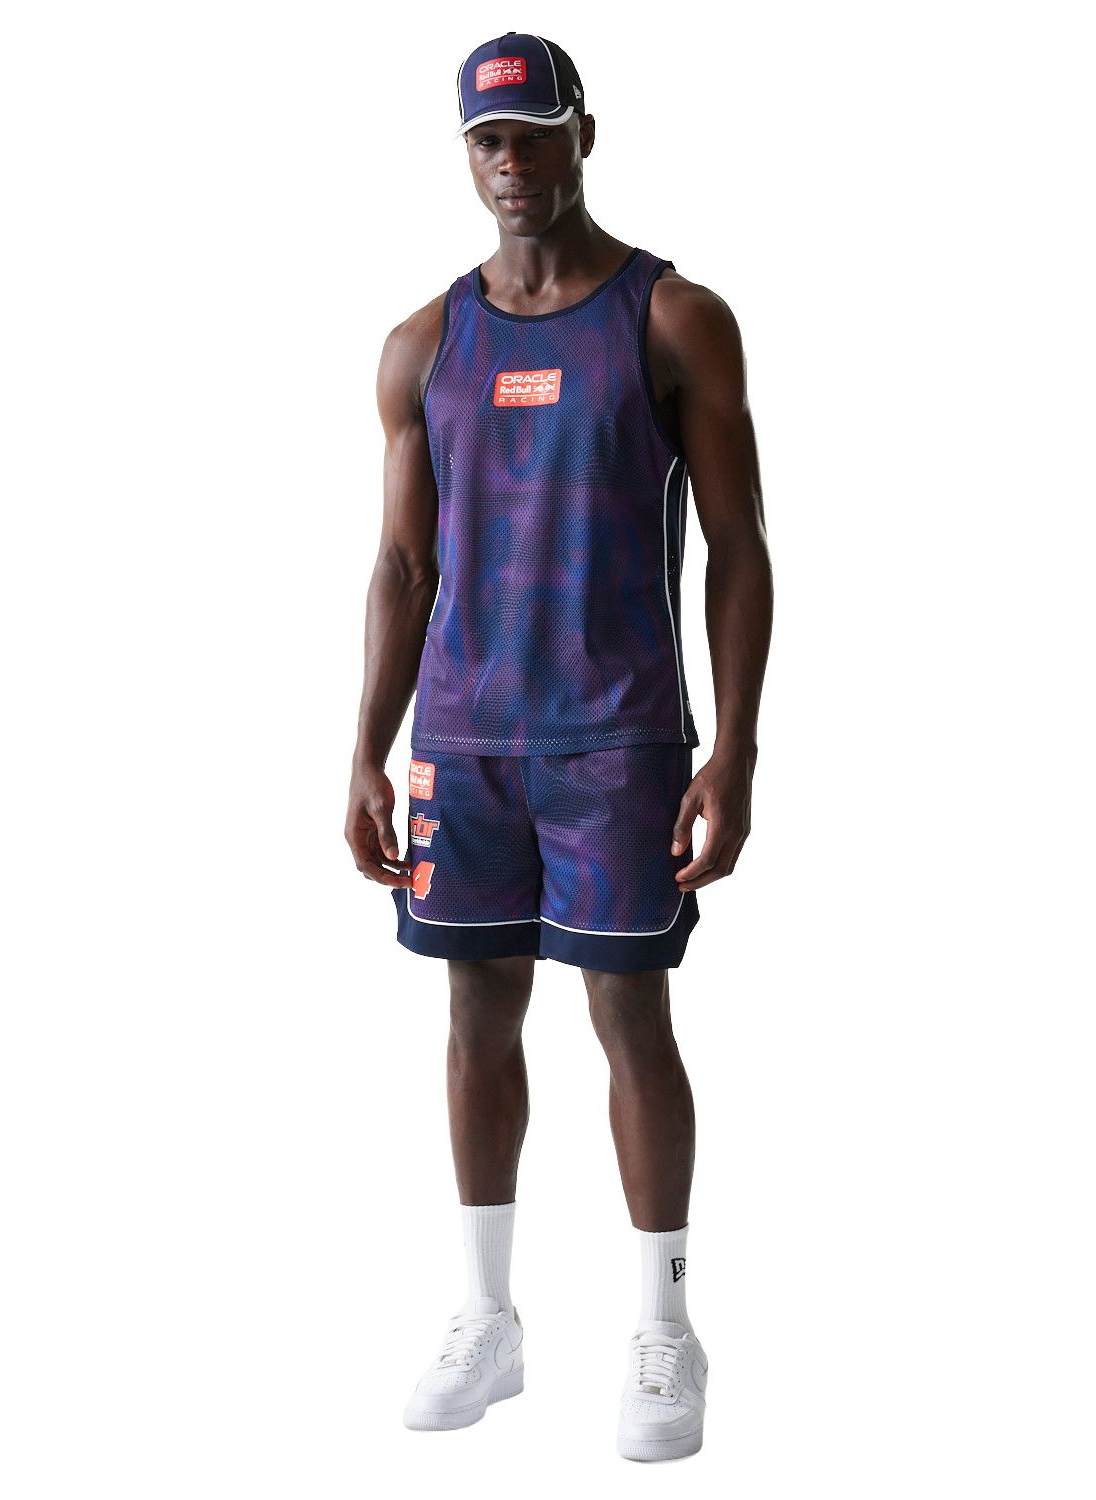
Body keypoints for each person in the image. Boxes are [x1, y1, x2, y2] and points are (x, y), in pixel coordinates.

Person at [345, 31, 772, 1462]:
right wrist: (365, 750)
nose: (512, 160)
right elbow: (402, 566)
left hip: (619, 739)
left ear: (587, 133)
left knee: (628, 1016)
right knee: (475, 1014)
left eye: (536, 131)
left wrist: (736, 752)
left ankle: (664, 1327)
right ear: (465, 154)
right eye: (489, 138)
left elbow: (740, 548)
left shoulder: (674, 319)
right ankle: (488, 1316)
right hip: (465, 741)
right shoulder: (426, 343)